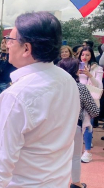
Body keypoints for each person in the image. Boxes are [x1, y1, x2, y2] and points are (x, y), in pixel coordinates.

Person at [0, 12, 80, 187]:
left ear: (26, 48)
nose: (7, 45)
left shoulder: (16, 97)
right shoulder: (67, 80)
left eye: (10, 40)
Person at [58, 58, 99, 188]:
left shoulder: (53, 87)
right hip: (74, 125)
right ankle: (76, 183)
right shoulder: (80, 88)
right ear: (74, 71)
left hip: (54, 126)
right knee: (75, 156)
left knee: (56, 156)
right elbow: (94, 111)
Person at [78, 46, 103, 163]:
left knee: (89, 125)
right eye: (83, 55)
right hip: (77, 99)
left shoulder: (97, 68)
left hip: (91, 100)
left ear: (91, 56)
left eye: (87, 55)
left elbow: (99, 86)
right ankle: (75, 150)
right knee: (76, 125)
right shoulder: (76, 66)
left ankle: (87, 152)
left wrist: (90, 75)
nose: (84, 57)